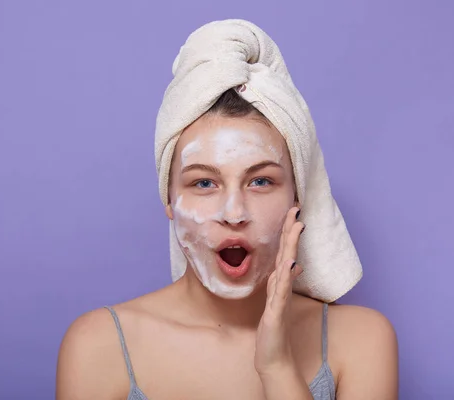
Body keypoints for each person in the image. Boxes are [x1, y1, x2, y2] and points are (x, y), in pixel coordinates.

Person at [56, 20, 398, 400]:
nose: (234, 213)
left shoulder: (362, 340)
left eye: (260, 181)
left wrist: (277, 367)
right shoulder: (99, 345)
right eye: (204, 183)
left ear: (297, 200)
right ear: (169, 200)